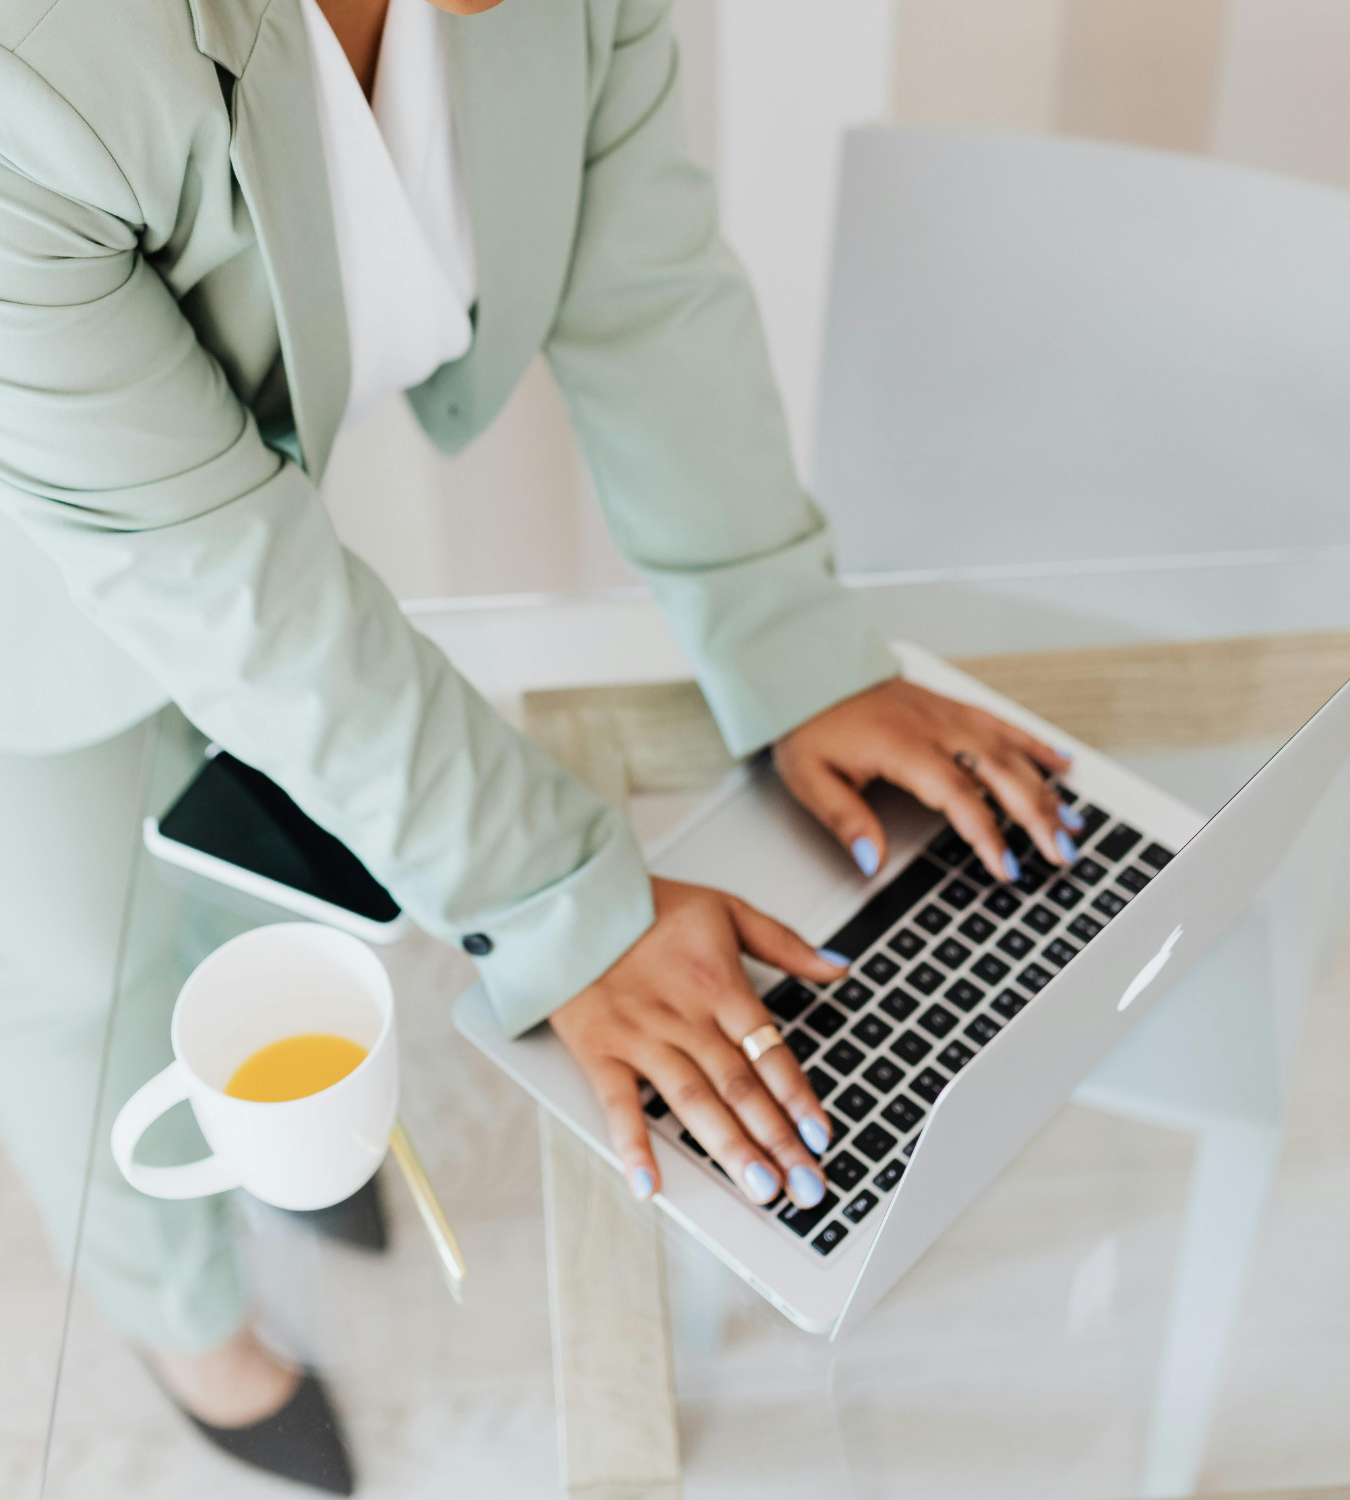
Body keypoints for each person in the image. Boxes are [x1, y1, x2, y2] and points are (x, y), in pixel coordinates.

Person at [0, 0, 1085, 1488]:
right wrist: (559, 905)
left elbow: (644, 290)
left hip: (233, 512)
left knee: (274, 870)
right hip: (29, 602)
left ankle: (298, 1145)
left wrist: (790, 644)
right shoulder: (33, 68)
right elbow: (210, 572)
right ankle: (191, 1333)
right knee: (82, 980)